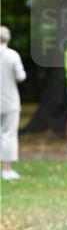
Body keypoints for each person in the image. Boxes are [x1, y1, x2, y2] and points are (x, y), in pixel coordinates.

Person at [0, 25, 26, 180]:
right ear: (7, 39)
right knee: (9, 134)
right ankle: (7, 169)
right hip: (9, 100)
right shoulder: (12, 55)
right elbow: (21, 76)